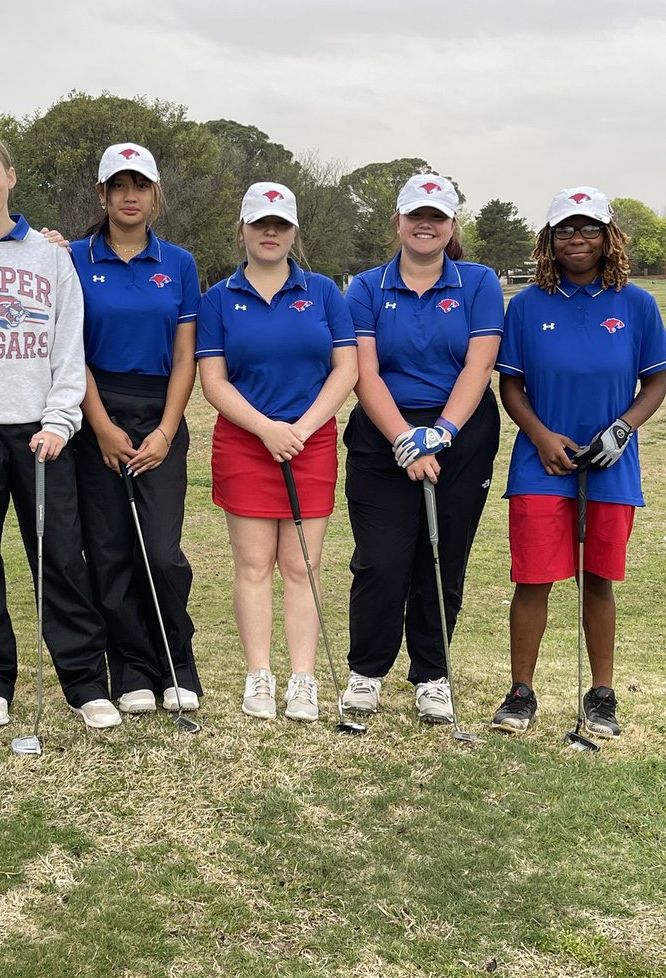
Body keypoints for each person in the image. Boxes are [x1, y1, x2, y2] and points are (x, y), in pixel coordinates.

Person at [0, 132, 117, 729]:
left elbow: (68, 349)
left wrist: (61, 420)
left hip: (42, 430)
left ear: (11, 177)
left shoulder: (51, 257)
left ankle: (85, 681)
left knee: (61, 556)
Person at [491, 187, 666, 737]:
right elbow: (511, 386)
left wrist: (624, 427)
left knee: (599, 580)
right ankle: (520, 693)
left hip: (612, 464)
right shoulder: (524, 305)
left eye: (589, 228)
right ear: (549, 239)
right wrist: (541, 436)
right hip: (542, 464)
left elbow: (656, 379)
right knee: (534, 580)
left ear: (608, 236)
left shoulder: (635, 303)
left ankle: (601, 695)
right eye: (565, 229)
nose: (577, 239)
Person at [343, 174, 503, 724]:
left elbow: (479, 365)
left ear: (453, 225)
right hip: (383, 435)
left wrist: (442, 432)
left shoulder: (478, 283)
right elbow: (365, 371)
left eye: (437, 215)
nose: (426, 224)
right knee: (380, 562)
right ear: (399, 222)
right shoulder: (365, 287)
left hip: (460, 432)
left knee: (442, 557)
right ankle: (366, 672)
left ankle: (432, 675)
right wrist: (404, 439)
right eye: (416, 215)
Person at [196, 182, 358, 721]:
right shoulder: (218, 297)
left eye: (280, 224)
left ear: (293, 232)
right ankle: (259, 675)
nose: (270, 232)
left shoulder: (324, 293)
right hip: (246, 443)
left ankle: (303, 679)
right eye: (260, 223)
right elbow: (214, 382)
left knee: (303, 565)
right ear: (242, 229)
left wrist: (304, 428)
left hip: (309, 442)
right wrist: (267, 429)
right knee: (252, 564)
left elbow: (346, 369)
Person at [67, 143, 202, 716]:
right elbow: (69, 350)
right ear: (101, 194)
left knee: (163, 552)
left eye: (140, 185)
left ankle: (177, 664)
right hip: (94, 407)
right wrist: (98, 425)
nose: (129, 196)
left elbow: (185, 352)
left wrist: (168, 431)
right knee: (109, 550)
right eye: (118, 185)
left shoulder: (179, 263)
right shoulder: (72, 257)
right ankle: (131, 670)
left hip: (159, 410)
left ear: (154, 195)